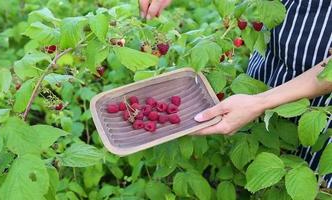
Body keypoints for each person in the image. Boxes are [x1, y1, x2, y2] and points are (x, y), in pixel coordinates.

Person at [139, 0, 332, 188]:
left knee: (309, 175)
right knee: (258, 155)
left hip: (321, 106)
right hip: (267, 69)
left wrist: (260, 103)